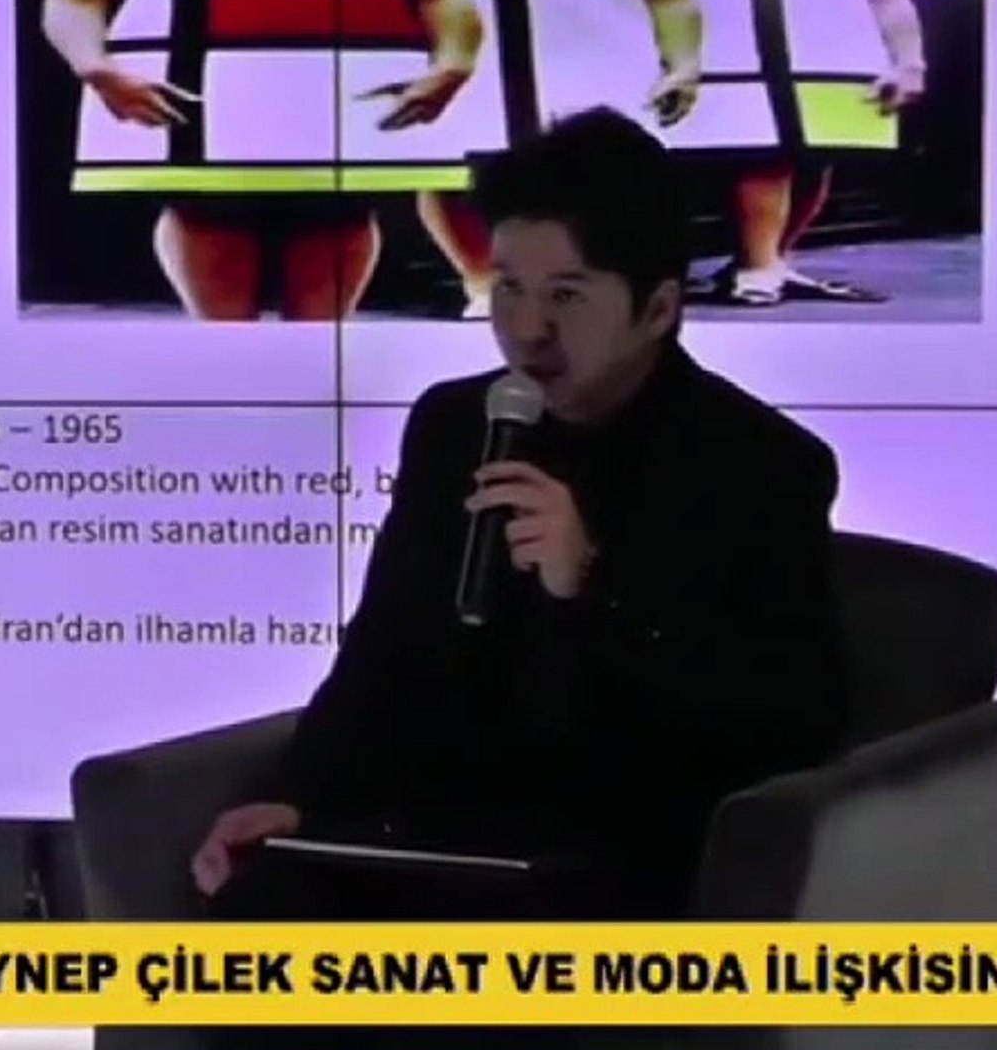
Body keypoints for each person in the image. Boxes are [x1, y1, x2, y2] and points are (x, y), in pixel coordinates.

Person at [192, 107, 852, 1048]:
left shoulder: (761, 465)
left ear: (659, 308)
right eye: (508, 288)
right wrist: (305, 796)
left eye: (567, 297)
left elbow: (786, 722)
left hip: (625, 864)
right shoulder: (457, 426)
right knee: (252, 929)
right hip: (443, 835)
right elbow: (384, 647)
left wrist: (594, 588)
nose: (527, 331)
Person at [42, 0, 484, 321]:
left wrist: (456, 61)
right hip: (192, 95)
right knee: (210, 228)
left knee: (332, 240)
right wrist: (92, 64)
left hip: (343, 90)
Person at [421, 0, 703, 319]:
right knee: (454, 172)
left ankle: (613, 285)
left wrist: (684, 63)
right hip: (475, 58)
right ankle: (487, 287)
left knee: (610, 180)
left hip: (600, 57)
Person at [710, 0, 928, 307]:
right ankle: (758, 265)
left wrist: (910, 62)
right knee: (765, 150)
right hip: (751, 36)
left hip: (836, 45)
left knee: (819, 153)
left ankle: (772, 260)